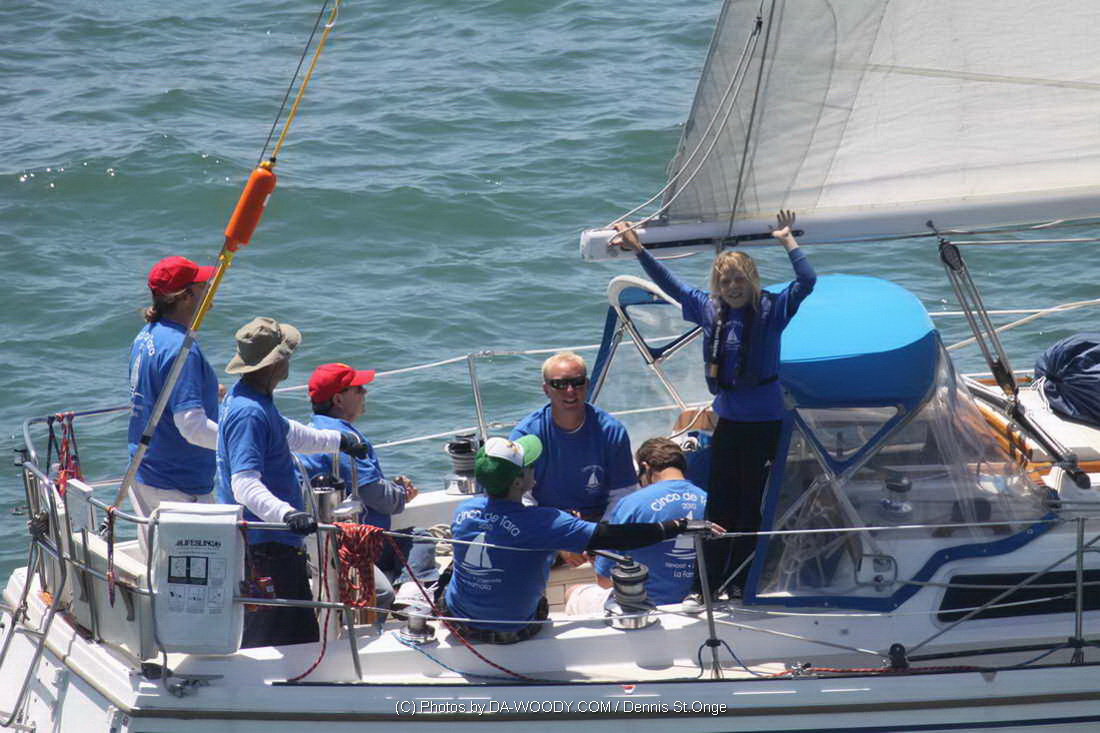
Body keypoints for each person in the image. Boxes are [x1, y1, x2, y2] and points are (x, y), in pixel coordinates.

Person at [612, 211, 816, 596]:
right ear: (717, 286)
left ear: (752, 280)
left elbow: (807, 281)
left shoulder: (772, 310)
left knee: (750, 504)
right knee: (720, 505)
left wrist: (787, 240)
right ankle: (707, 582)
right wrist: (639, 250)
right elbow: (670, 284)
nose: (733, 287)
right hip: (729, 422)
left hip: (765, 425)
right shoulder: (710, 309)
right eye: (726, 281)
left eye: (739, 279)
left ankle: (740, 580)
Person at [442, 435, 722, 644]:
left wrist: (560, 542)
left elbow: (511, 537)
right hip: (516, 631)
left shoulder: (464, 511)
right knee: (565, 592)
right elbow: (615, 537)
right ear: (517, 482)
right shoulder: (546, 522)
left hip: (459, 622)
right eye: (529, 465)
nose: (535, 467)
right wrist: (677, 526)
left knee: (453, 571)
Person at [215, 318, 372, 648]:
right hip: (265, 546)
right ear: (275, 363)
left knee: (298, 633)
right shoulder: (249, 413)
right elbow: (243, 483)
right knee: (276, 638)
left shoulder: (252, 398)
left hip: (275, 542)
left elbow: (290, 434)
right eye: (286, 354)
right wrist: (287, 514)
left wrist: (338, 441)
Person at [296, 362, 438, 610]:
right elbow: (377, 496)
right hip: (354, 545)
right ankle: (410, 604)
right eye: (358, 389)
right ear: (338, 399)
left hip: (315, 546)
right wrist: (402, 494)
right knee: (419, 539)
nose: (365, 393)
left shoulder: (309, 432)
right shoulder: (344, 440)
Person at [127, 256, 220, 544]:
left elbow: (160, 389)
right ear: (186, 296)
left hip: (144, 472)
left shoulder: (147, 336)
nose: (210, 293)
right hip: (179, 486)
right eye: (203, 286)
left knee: (157, 562)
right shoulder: (183, 348)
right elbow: (192, 427)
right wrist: (241, 442)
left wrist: (207, 389)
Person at [564, 437, 706, 614]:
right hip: (699, 605)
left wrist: (596, 561)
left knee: (572, 592)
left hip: (643, 607)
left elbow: (604, 581)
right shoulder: (708, 500)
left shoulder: (631, 504)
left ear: (645, 467)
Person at [509, 351, 637, 521]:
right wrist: (553, 527)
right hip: (546, 521)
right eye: (559, 384)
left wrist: (599, 529)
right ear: (546, 390)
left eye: (577, 383)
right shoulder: (526, 435)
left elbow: (623, 493)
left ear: (587, 385)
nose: (570, 391)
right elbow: (520, 496)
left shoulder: (612, 431)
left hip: (599, 522)